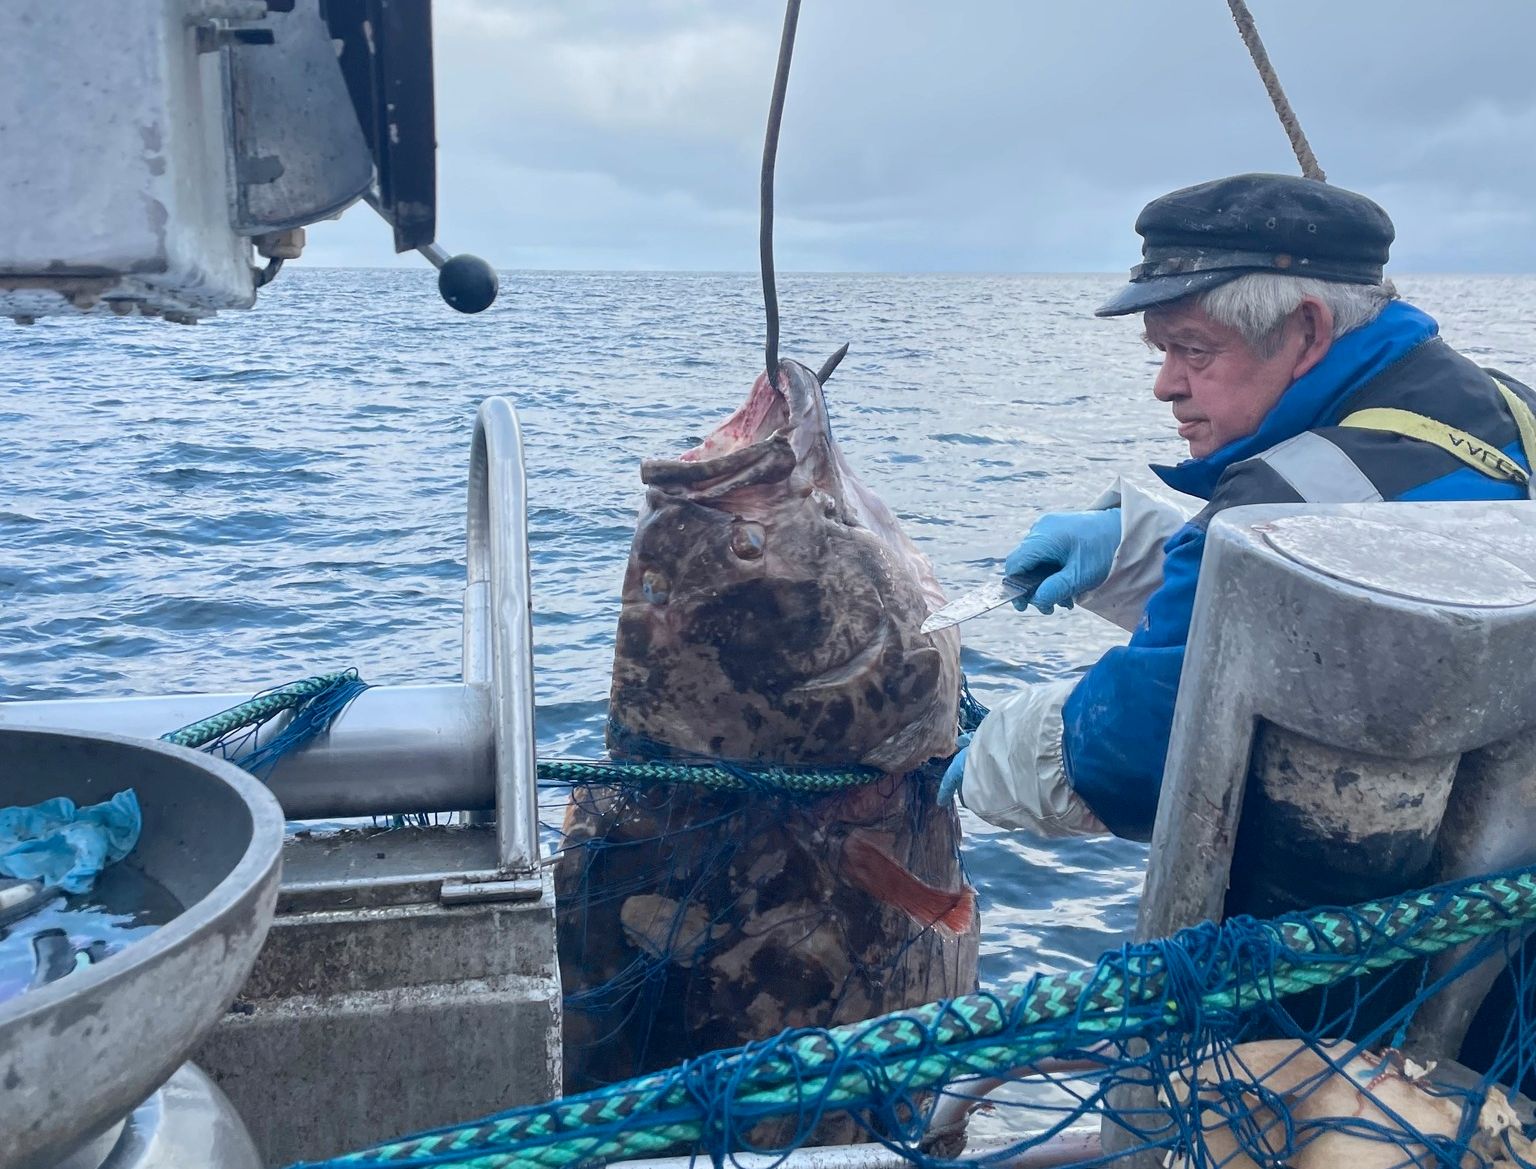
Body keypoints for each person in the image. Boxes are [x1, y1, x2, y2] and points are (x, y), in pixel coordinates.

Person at [939, 172, 1536, 843]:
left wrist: (1002, 753)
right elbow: (1338, 622)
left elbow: (1143, 754)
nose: (1166, 385)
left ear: (1308, 330)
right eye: (1162, 351)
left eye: (1195, 349)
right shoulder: (1508, 408)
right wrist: (1137, 553)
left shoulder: (1282, 504)